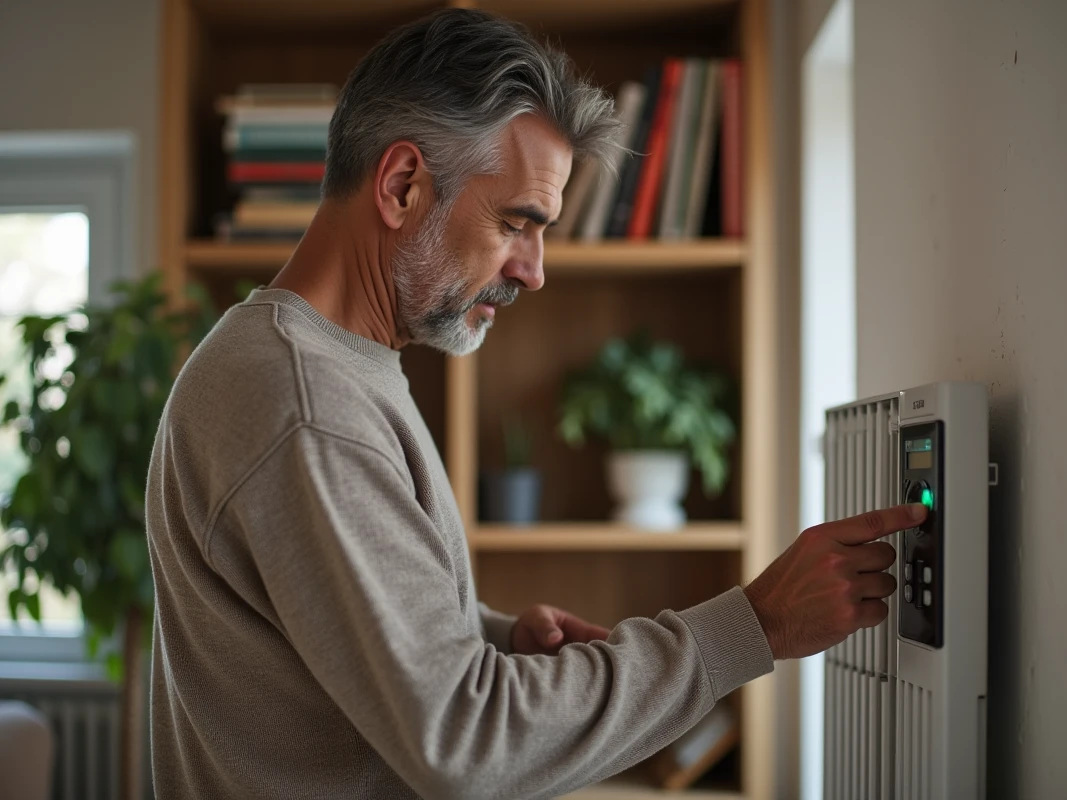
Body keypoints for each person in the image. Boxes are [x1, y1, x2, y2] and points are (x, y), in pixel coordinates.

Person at [146, 8, 922, 799]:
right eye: (517, 223)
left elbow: (314, 629)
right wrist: (757, 625)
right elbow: (462, 742)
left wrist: (492, 640)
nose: (534, 270)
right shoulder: (305, 403)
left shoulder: (333, 367)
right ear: (402, 186)